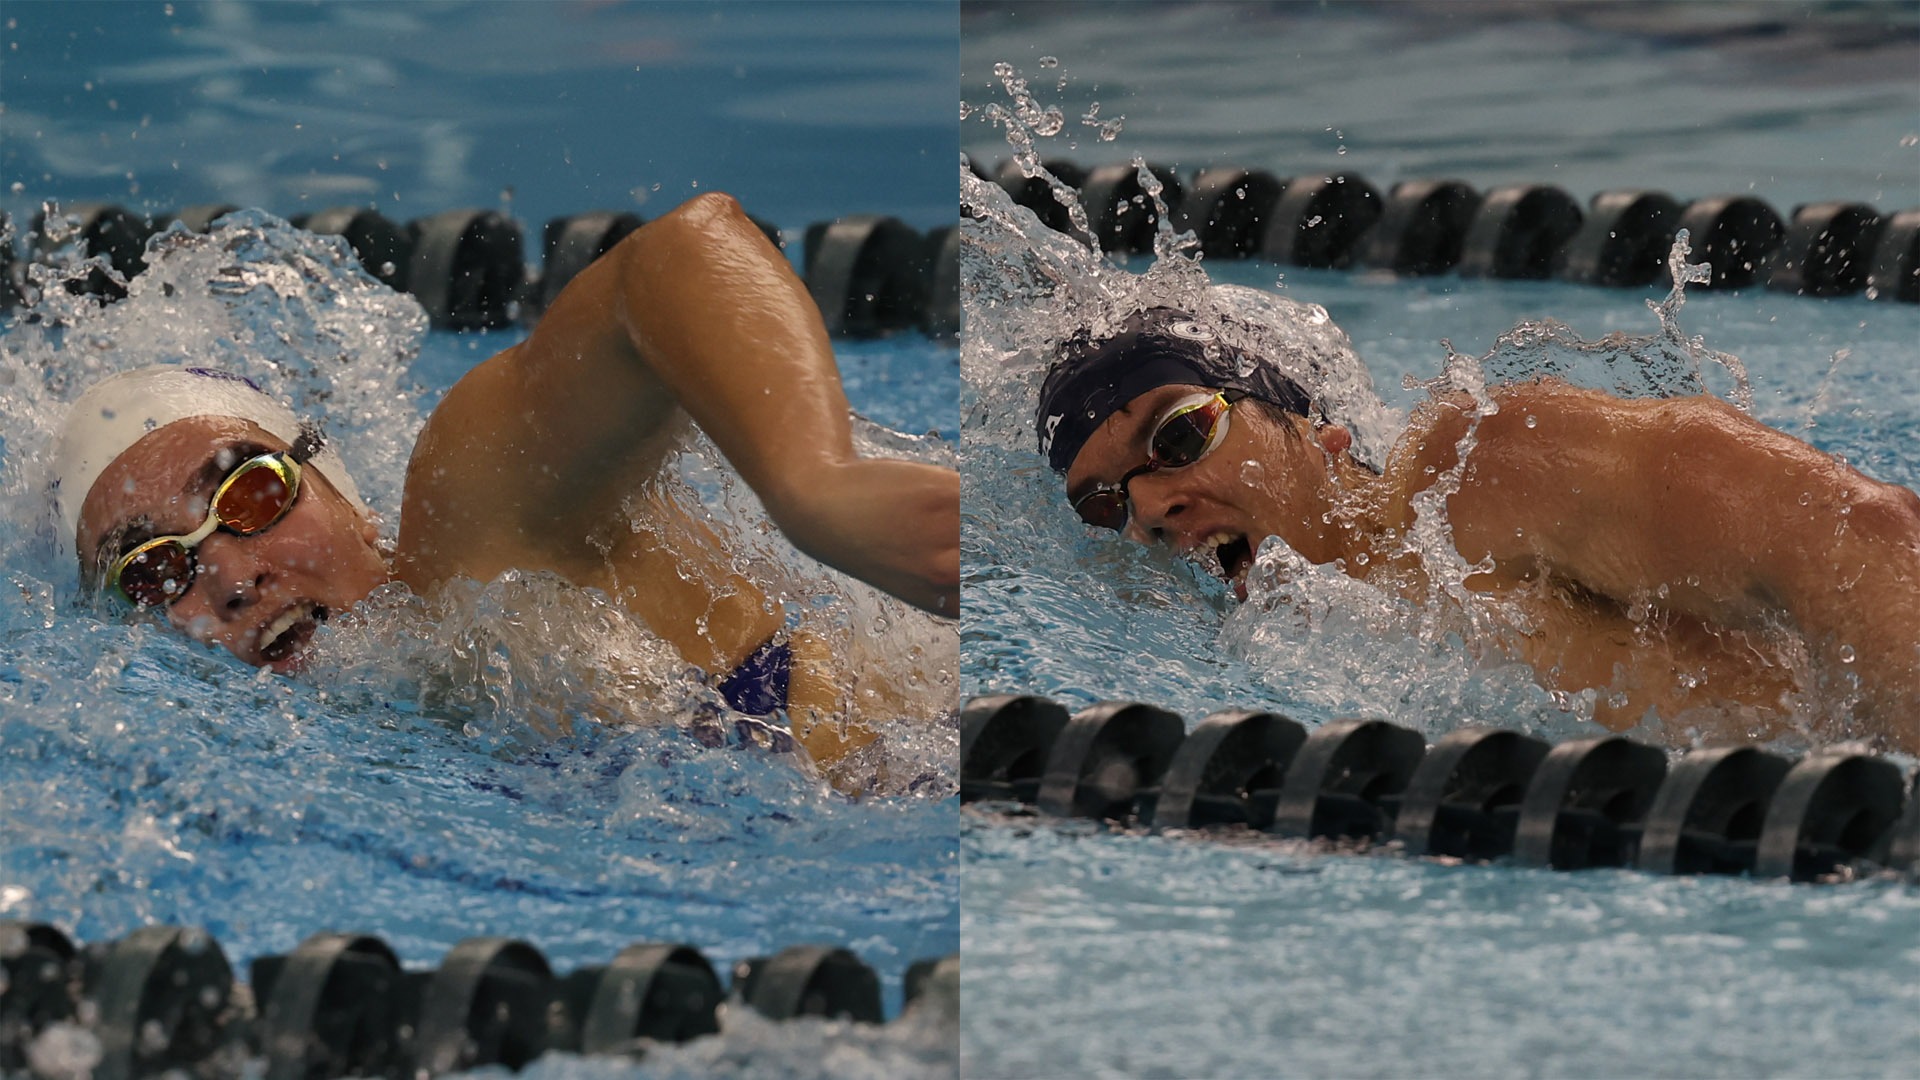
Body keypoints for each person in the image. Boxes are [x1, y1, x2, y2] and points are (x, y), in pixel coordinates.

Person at [54, 193, 960, 768]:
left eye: (249, 496)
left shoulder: (475, 527)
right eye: (156, 572)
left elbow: (679, 254)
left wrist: (814, 486)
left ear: (344, 497)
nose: (230, 577)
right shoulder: (336, 759)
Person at [1038, 306, 1920, 754]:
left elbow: (1859, 534)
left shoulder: (1473, 476)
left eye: (1177, 434)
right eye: (1106, 502)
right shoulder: (1255, 658)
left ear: (1310, 425)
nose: (1151, 506)